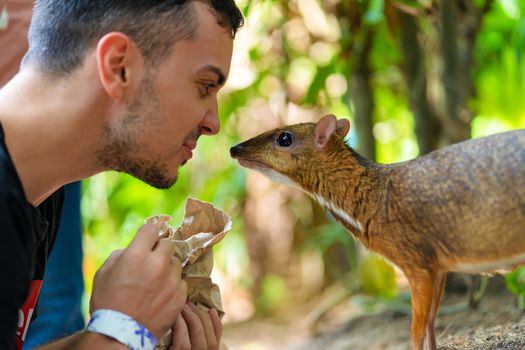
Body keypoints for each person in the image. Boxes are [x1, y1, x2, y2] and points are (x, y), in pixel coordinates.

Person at [0, 1, 244, 349]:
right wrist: (121, 331)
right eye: (205, 85)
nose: (213, 124)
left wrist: (115, 336)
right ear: (118, 67)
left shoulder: (40, 191)